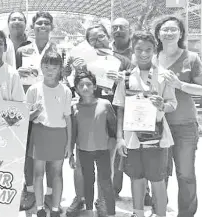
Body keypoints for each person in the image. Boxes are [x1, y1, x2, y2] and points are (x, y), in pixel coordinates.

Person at [66, 23, 132, 217]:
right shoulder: (84, 62)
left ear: (108, 36)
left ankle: (102, 200)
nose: (98, 40)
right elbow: (70, 84)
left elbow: (138, 83)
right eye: (93, 39)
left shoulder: (122, 61)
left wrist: (123, 79)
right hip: (86, 114)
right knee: (81, 163)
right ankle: (80, 198)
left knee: (107, 163)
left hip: (109, 115)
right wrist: (70, 68)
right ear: (88, 42)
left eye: (101, 36)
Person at [114, 31, 177, 217]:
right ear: (132, 50)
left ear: (155, 50)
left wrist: (162, 105)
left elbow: (172, 104)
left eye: (148, 49)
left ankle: (161, 214)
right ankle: (138, 213)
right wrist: (119, 138)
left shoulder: (164, 76)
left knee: (158, 179)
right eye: (139, 49)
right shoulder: (125, 77)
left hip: (156, 138)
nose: (143, 53)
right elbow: (120, 109)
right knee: (136, 178)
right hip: (132, 137)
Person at [154, 16, 202, 217]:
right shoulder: (152, 57)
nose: (169, 33)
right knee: (159, 174)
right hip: (157, 124)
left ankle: (186, 214)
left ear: (181, 33)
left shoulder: (191, 58)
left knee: (186, 174)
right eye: (165, 29)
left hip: (184, 125)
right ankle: (160, 211)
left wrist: (180, 85)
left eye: (174, 29)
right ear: (158, 34)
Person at [16, 11, 57, 211]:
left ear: (51, 27)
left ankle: (49, 193)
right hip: (28, 107)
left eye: (46, 23)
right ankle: (30, 190)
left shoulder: (59, 50)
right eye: (39, 23)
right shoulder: (22, 51)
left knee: (50, 152)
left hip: (52, 108)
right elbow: (15, 80)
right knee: (28, 153)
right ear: (33, 27)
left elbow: (64, 79)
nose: (42, 26)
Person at [25, 43, 72, 217]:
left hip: (59, 135)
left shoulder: (66, 90)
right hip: (39, 134)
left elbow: (68, 118)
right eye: (46, 66)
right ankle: (39, 208)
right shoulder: (33, 89)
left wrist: (69, 143)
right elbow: (26, 117)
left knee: (57, 173)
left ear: (60, 69)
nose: (50, 70)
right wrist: (34, 112)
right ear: (41, 67)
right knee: (38, 173)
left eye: (54, 67)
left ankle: (54, 208)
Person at [71, 70, 116, 217]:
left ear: (95, 86)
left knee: (106, 182)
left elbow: (114, 127)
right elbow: (73, 133)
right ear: (76, 89)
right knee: (88, 182)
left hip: (103, 150)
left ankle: (110, 213)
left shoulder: (105, 104)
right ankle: (89, 211)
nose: (85, 88)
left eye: (88, 84)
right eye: (81, 85)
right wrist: (71, 152)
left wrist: (115, 143)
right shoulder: (74, 108)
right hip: (84, 151)